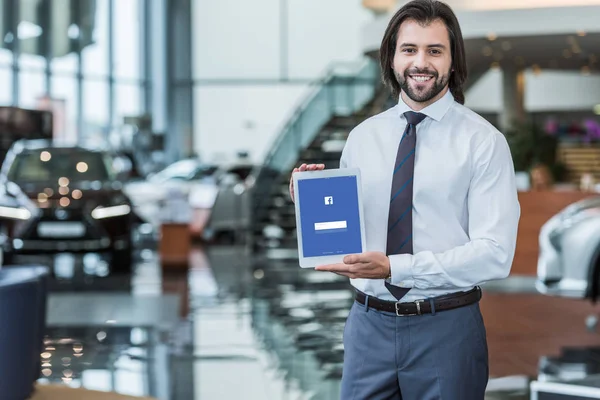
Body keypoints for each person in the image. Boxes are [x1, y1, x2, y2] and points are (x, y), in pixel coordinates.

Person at [288, 0, 520, 398]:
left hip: (446, 328)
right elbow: (350, 230)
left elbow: (495, 253)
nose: (421, 62)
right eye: (409, 49)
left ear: (452, 59)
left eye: (435, 50)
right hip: (368, 327)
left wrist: (396, 268)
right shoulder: (363, 137)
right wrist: (309, 201)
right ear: (392, 58)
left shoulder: (483, 142)